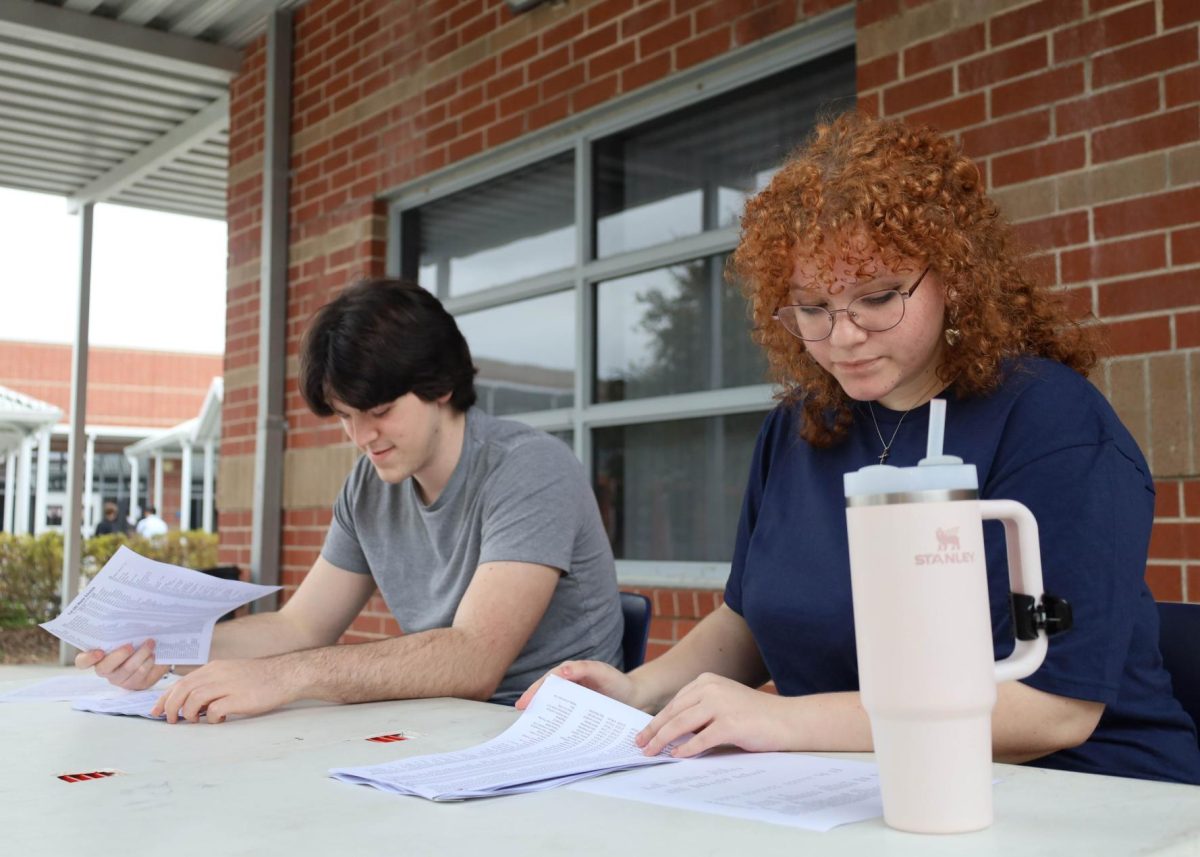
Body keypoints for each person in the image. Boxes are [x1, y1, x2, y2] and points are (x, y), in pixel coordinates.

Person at [519, 112, 1200, 785]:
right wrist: (637, 692)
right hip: (861, 790)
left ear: (954, 277)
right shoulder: (801, 428)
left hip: (1085, 794)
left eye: (877, 298)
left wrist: (784, 721)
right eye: (812, 308)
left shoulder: (1053, 424)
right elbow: (751, 617)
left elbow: (1056, 709)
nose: (842, 335)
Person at [79, 280, 623, 722]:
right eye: (344, 415)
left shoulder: (529, 467)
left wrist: (284, 676)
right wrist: (161, 646)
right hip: (442, 724)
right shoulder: (369, 485)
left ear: (441, 386)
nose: (362, 436)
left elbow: (473, 656)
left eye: (379, 409)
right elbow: (300, 628)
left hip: (552, 733)